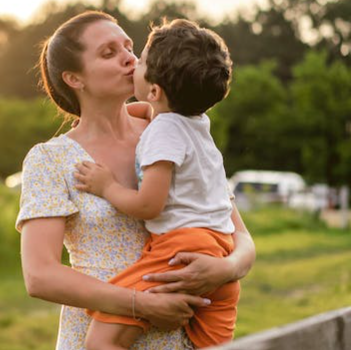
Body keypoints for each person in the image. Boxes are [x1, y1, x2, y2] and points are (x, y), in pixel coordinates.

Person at [16, 10, 256, 350]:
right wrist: (140, 303)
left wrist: (226, 269)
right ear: (74, 79)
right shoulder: (51, 159)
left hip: (180, 338)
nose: (129, 59)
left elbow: (241, 237)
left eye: (129, 47)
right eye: (108, 53)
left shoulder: (173, 131)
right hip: (101, 334)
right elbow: (40, 276)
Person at [75, 19, 240, 350]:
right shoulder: (193, 121)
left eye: (142, 61)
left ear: (155, 91)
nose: (135, 62)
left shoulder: (163, 132)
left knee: (100, 342)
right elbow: (147, 113)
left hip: (180, 251)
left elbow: (150, 205)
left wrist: (106, 187)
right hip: (219, 246)